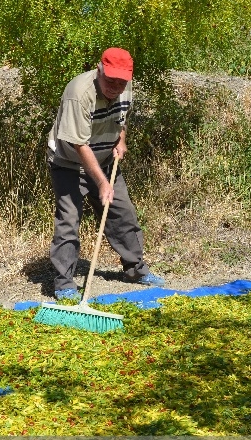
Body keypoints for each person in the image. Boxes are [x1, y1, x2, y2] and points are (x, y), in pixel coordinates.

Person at [46, 47, 165, 301]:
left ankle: (135, 269)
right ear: (99, 69)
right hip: (68, 161)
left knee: (123, 212)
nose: (115, 87)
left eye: (121, 82)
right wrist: (101, 182)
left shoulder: (125, 87)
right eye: (110, 81)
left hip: (105, 159)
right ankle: (64, 284)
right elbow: (79, 145)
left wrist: (121, 139)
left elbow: (121, 119)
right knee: (69, 219)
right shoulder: (79, 93)